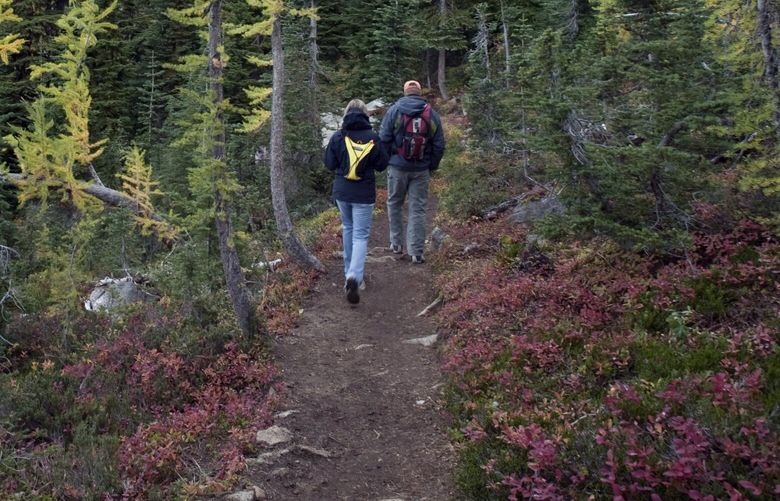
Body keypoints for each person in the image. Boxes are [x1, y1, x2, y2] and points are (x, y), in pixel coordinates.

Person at [324, 99, 389, 304]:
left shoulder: (338, 136)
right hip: (364, 193)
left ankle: (348, 274)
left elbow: (329, 163)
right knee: (360, 236)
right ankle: (355, 277)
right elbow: (381, 165)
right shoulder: (373, 138)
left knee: (348, 229)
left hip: (342, 192)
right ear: (365, 114)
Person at [379, 80, 445, 264]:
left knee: (394, 203)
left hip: (397, 167)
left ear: (406, 92)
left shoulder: (394, 110)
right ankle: (416, 252)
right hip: (421, 169)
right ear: (419, 92)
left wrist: (387, 161)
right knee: (418, 208)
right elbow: (439, 144)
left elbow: (383, 138)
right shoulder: (431, 113)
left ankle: (396, 244)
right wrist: (431, 165)